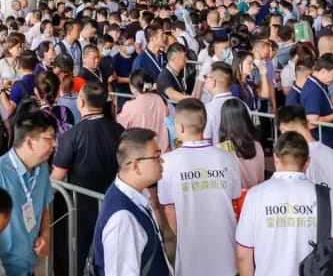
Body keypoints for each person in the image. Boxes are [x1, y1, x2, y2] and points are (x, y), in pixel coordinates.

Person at [234, 132, 333, 276]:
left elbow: (243, 255)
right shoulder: (325, 196)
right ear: (308, 162)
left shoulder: (255, 195)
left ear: (276, 158)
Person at [157, 98, 242, 276]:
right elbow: (235, 200)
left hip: (190, 251)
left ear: (179, 127)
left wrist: (175, 241)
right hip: (225, 248)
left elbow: (169, 210)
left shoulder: (168, 162)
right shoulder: (228, 158)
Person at [50, 82, 123, 274]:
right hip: (113, 202)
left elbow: (57, 178)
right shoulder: (119, 130)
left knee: (77, 253)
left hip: (80, 206)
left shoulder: (72, 135)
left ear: (81, 103)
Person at [0, 111, 57, 276]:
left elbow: (44, 209)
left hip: (28, 267)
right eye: (50, 138)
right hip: (1, 269)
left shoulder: (42, 169)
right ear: (30, 142)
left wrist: (46, 235)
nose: (54, 144)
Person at [91, 128, 173, 276]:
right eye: (156, 157)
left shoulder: (134, 195)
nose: (162, 161)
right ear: (135, 165)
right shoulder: (123, 218)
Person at [276, 105, 333, 207]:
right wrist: (330, 202)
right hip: (330, 219)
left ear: (283, 129)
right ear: (306, 121)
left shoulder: (288, 158)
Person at [217, 98, 265, 189]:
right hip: (253, 197)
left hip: (234, 200)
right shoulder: (257, 145)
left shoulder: (222, 149)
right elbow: (261, 180)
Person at [118, 71, 172, 152]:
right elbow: (167, 113)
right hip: (163, 150)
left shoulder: (129, 106)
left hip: (142, 152)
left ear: (132, 87)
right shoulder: (158, 99)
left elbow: (120, 126)